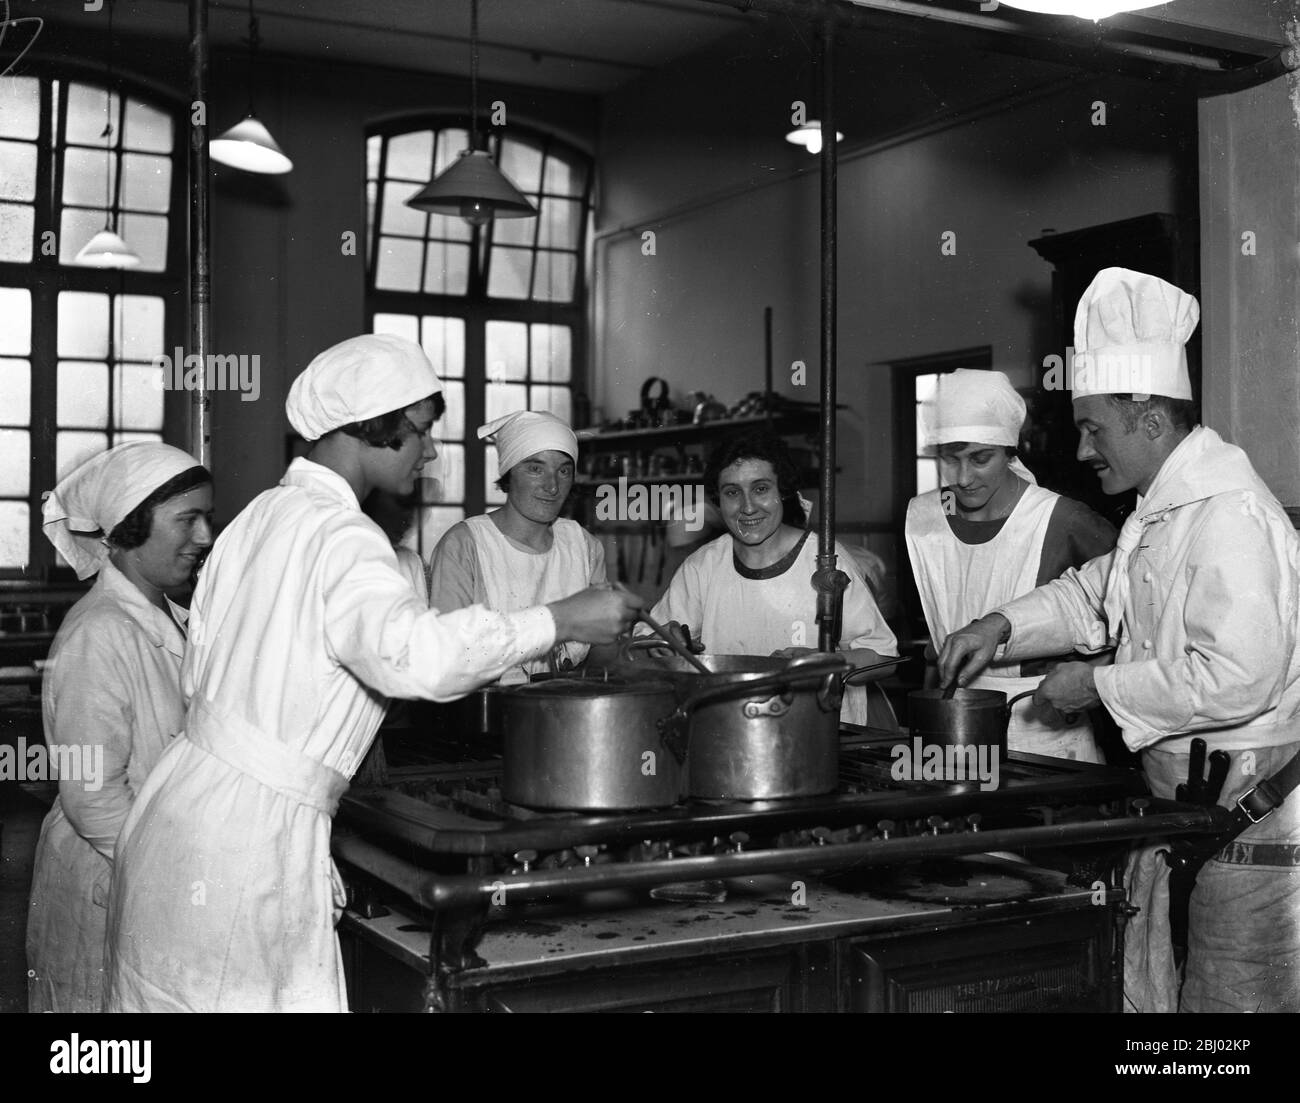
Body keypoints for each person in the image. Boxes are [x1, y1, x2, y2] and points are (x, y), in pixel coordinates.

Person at [103, 334, 640, 1012]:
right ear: (372, 429)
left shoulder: (259, 515)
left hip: (180, 810)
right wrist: (560, 618)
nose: (431, 450)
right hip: (244, 843)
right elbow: (421, 657)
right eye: (421, 431)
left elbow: (202, 675)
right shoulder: (342, 534)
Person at [938, 268, 1300, 1013]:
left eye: (1093, 427)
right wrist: (998, 625)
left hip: (1255, 840)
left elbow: (1240, 674)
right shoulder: (1160, 511)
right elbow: (1091, 594)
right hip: (1196, 824)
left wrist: (1093, 687)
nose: (1083, 447)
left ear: (1148, 417)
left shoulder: (1228, 517)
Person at [27, 442, 213, 1012]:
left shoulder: (170, 617)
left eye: (206, 517)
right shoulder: (98, 634)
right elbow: (92, 799)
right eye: (187, 519)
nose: (205, 536)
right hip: (112, 876)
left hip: (154, 866)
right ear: (132, 528)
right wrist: (172, 876)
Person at [906, 368, 1116, 761]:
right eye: (950, 460)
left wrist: (1091, 681)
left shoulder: (1062, 520)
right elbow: (935, 647)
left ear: (1009, 450)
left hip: (1046, 733)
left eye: (980, 458)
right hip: (952, 726)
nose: (963, 478)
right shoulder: (922, 518)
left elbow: (1136, 621)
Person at [650, 430, 897, 725]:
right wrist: (661, 642)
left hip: (824, 737)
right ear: (718, 500)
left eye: (761, 489)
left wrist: (824, 663)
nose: (748, 506)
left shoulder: (827, 559)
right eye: (732, 492)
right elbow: (647, 643)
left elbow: (883, 658)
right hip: (731, 732)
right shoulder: (702, 567)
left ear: (783, 491)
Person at [427, 409, 605, 682]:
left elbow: (602, 648)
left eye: (564, 471)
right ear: (509, 474)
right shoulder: (465, 545)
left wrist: (641, 647)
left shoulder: (583, 547)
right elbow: (448, 658)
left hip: (564, 711)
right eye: (535, 468)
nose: (552, 486)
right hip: (486, 715)